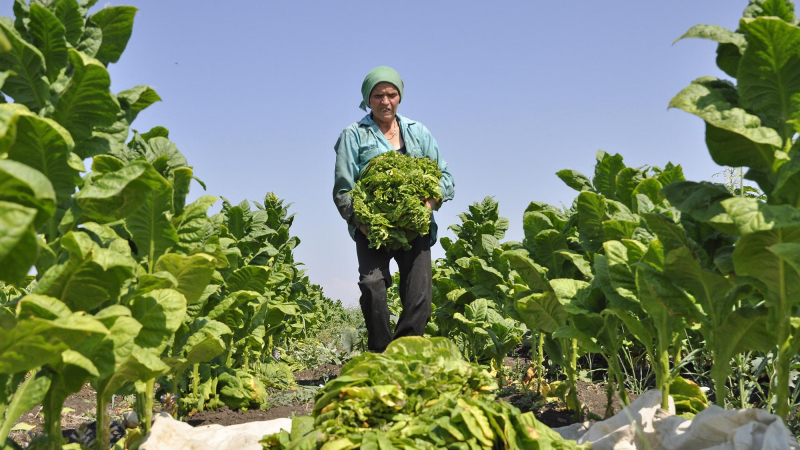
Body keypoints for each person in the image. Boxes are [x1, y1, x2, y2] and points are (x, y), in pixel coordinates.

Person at [332, 66, 455, 353]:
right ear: (368, 99)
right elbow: (343, 190)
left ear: (399, 97)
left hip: (415, 226)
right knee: (373, 286)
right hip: (372, 227)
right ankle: (380, 353)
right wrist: (364, 224)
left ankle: (404, 355)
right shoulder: (354, 135)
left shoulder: (418, 132)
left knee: (419, 296)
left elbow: (445, 178)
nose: (385, 101)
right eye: (378, 96)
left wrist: (428, 204)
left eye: (391, 94)